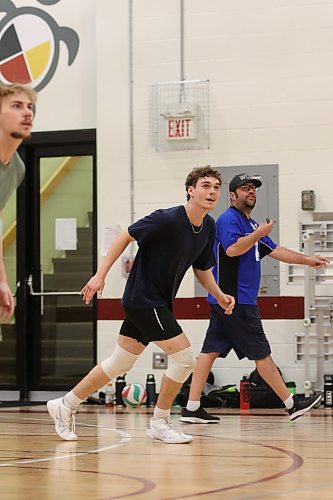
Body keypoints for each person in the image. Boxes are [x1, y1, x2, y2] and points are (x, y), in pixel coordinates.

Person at [47, 166, 235, 444]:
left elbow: (201, 268)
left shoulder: (207, 226)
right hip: (144, 300)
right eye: (205, 185)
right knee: (184, 359)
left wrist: (219, 295)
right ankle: (160, 421)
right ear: (190, 190)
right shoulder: (167, 219)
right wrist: (100, 276)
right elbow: (125, 236)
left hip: (156, 302)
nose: (212, 191)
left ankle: (65, 404)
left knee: (119, 362)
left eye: (216, 187)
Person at [180, 172, 329, 424]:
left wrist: (306, 260)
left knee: (209, 352)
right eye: (245, 188)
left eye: (254, 188)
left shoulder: (250, 224)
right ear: (232, 194)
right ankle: (291, 404)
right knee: (262, 354)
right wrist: (259, 234)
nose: (251, 192)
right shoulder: (229, 220)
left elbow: (276, 250)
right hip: (236, 301)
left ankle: (192, 407)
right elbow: (232, 248)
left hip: (227, 301)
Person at [0, 84, 36, 321]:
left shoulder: (17, 168)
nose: (27, 113)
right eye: (16, 106)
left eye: (29, 107)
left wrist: (2, 281)